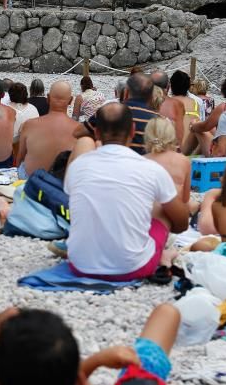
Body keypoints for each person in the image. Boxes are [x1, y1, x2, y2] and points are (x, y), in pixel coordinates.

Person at [66, 103, 188, 279]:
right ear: (133, 130)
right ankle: (160, 253)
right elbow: (182, 223)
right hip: (132, 268)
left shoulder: (78, 166)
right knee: (161, 208)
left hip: (79, 264)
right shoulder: (150, 169)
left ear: (97, 133)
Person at [0, 304, 180, 385]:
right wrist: (96, 361)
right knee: (167, 313)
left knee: (10, 316)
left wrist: (94, 363)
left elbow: (8, 317)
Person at [17, 81, 81, 178]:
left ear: (48, 98)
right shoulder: (79, 129)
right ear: (71, 100)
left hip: (33, 183)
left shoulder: (29, 125)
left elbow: (20, 158)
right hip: (61, 184)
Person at [144, 118, 191, 239]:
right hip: (172, 222)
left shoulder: (140, 160)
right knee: (195, 204)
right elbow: (185, 199)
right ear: (172, 137)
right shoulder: (183, 160)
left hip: (147, 221)